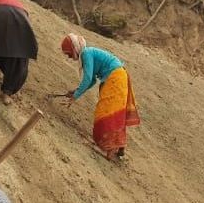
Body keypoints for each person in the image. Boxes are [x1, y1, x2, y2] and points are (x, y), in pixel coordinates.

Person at [57, 33, 141, 161]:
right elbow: (91, 81)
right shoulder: (88, 53)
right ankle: (120, 147)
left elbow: (87, 79)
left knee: (106, 113)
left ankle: (110, 149)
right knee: (116, 113)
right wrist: (75, 92)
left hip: (115, 78)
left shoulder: (86, 54)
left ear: (74, 48)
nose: (69, 57)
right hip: (118, 76)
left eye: (68, 53)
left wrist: (75, 97)